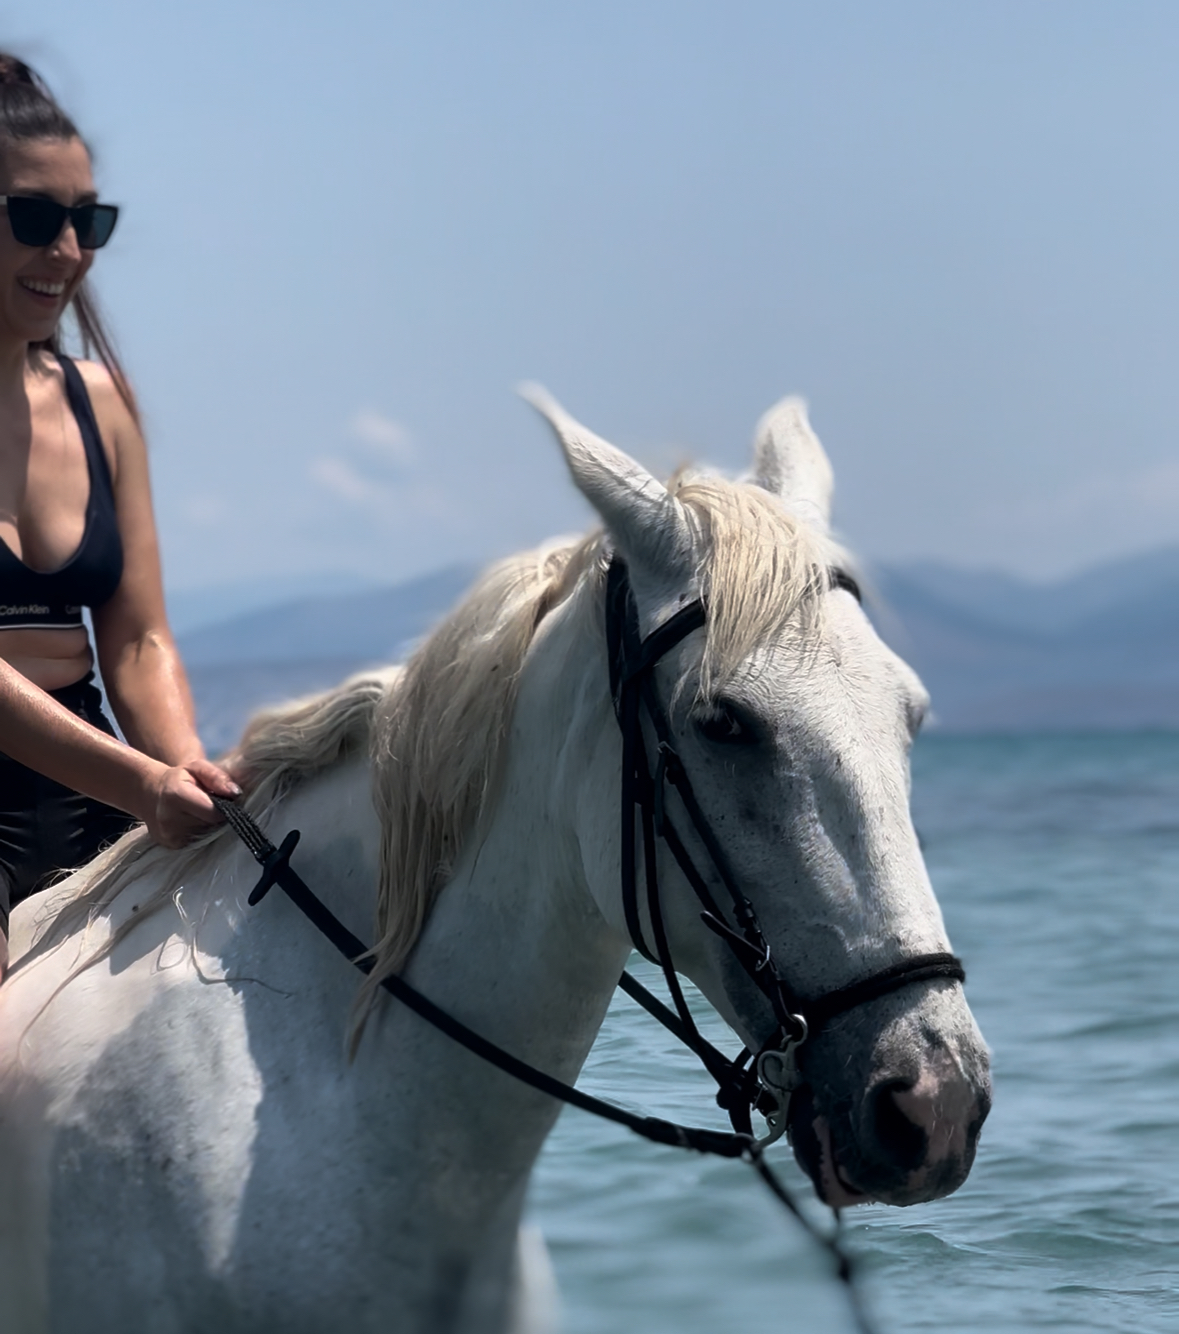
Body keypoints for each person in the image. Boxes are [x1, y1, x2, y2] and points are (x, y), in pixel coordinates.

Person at [0, 54, 238, 974]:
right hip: (109, 779)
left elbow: (138, 641)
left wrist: (187, 775)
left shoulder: (104, 405)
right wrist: (143, 784)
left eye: (87, 220)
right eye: (35, 217)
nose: (68, 250)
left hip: (91, 800)